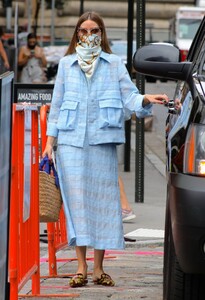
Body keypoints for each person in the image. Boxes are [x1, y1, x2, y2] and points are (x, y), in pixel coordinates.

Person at [42, 11, 169, 288]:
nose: (90, 35)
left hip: (102, 140)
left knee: (102, 203)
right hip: (71, 142)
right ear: (77, 34)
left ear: (102, 34)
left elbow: (128, 96)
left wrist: (146, 98)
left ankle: (98, 268)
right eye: (85, 30)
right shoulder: (66, 64)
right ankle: (80, 267)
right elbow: (58, 104)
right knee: (77, 206)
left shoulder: (113, 64)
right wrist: (49, 143)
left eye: (95, 30)